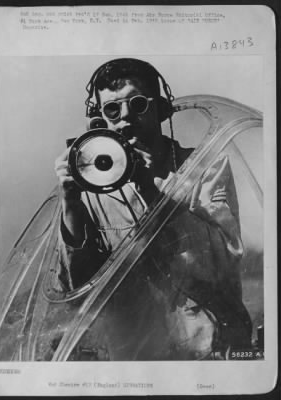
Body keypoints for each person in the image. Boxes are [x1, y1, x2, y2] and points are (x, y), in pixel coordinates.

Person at [54, 58, 252, 360]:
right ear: (100, 119)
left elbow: (220, 265)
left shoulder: (205, 168)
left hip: (209, 351)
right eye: (112, 109)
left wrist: (151, 190)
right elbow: (76, 292)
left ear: (160, 108)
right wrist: (70, 203)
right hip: (138, 355)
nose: (124, 118)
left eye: (137, 104)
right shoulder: (91, 189)